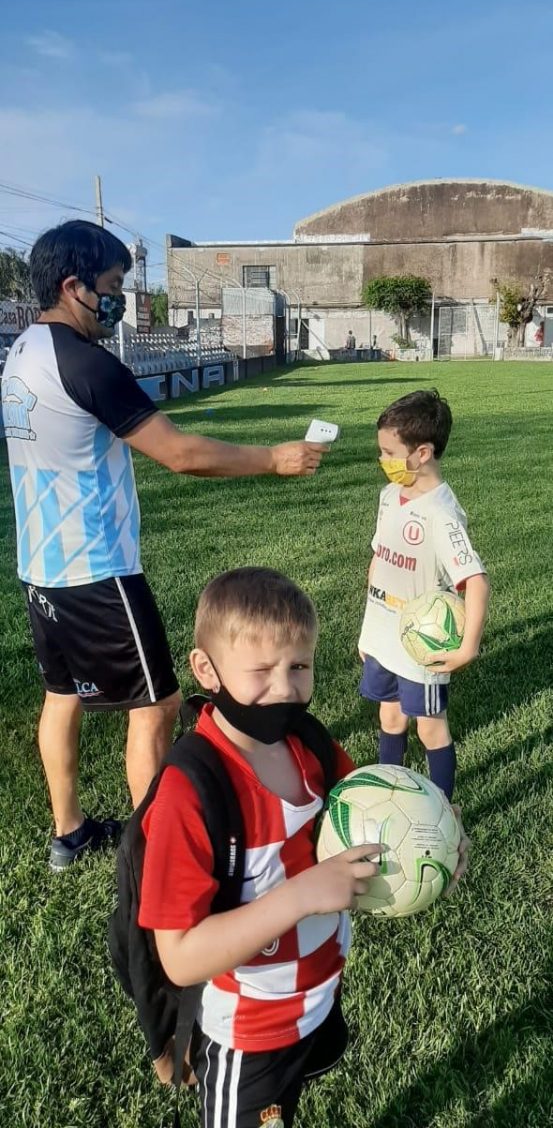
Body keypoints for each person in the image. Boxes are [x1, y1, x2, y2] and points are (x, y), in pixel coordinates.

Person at [0, 221, 327, 871]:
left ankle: (68, 832)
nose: (120, 299)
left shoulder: (21, 352)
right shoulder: (86, 361)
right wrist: (273, 459)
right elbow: (178, 453)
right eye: (114, 287)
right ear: (74, 287)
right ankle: (161, 852)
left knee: (62, 695)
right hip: (96, 568)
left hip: (40, 570)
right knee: (157, 705)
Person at [138, 567, 469, 1125]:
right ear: (207, 669)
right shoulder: (192, 791)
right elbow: (179, 955)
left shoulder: (309, 745)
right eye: (261, 671)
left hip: (316, 1001)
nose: (286, 688)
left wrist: (432, 836)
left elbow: (371, 815)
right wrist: (301, 895)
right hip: (248, 1033)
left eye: (299, 667)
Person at [358, 389, 490, 800]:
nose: (382, 461)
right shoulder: (388, 497)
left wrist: (467, 648)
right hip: (383, 638)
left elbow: (477, 581)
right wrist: (370, 633)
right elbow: (379, 555)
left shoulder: (441, 514)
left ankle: (440, 809)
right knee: (391, 715)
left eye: (388, 452)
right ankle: (389, 797)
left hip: (421, 646)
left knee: (430, 725)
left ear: (422, 453)